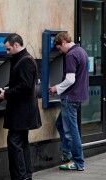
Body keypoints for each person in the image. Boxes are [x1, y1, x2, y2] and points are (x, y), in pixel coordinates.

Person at [0, 33, 42, 180]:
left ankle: (20, 177)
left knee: (14, 144)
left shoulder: (25, 60)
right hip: (22, 112)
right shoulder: (21, 58)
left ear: (16, 45)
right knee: (22, 144)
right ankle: (26, 176)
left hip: (22, 112)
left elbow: (24, 86)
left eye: (8, 49)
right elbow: (17, 83)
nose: (7, 52)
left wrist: (5, 95)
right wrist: (4, 91)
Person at [49, 32, 88, 171]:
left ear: (64, 43)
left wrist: (56, 88)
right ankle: (67, 155)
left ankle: (78, 162)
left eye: (59, 48)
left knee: (71, 131)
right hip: (78, 96)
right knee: (60, 124)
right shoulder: (81, 51)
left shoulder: (71, 55)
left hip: (70, 97)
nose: (60, 51)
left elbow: (70, 79)